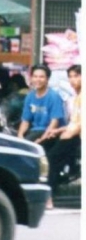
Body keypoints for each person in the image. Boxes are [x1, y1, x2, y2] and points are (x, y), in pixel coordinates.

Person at [44, 64, 80, 193]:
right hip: (70, 133)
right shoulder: (74, 98)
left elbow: (79, 125)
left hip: (76, 137)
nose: (72, 80)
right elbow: (73, 122)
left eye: (76, 76)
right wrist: (58, 131)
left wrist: (64, 134)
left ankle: (49, 194)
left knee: (52, 159)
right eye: (70, 76)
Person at [17, 64, 66, 142]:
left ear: (47, 79)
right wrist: (20, 135)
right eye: (35, 76)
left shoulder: (54, 97)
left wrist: (42, 139)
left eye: (41, 77)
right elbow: (25, 120)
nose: (38, 79)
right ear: (31, 78)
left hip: (50, 132)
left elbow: (54, 123)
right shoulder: (30, 96)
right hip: (34, 131)